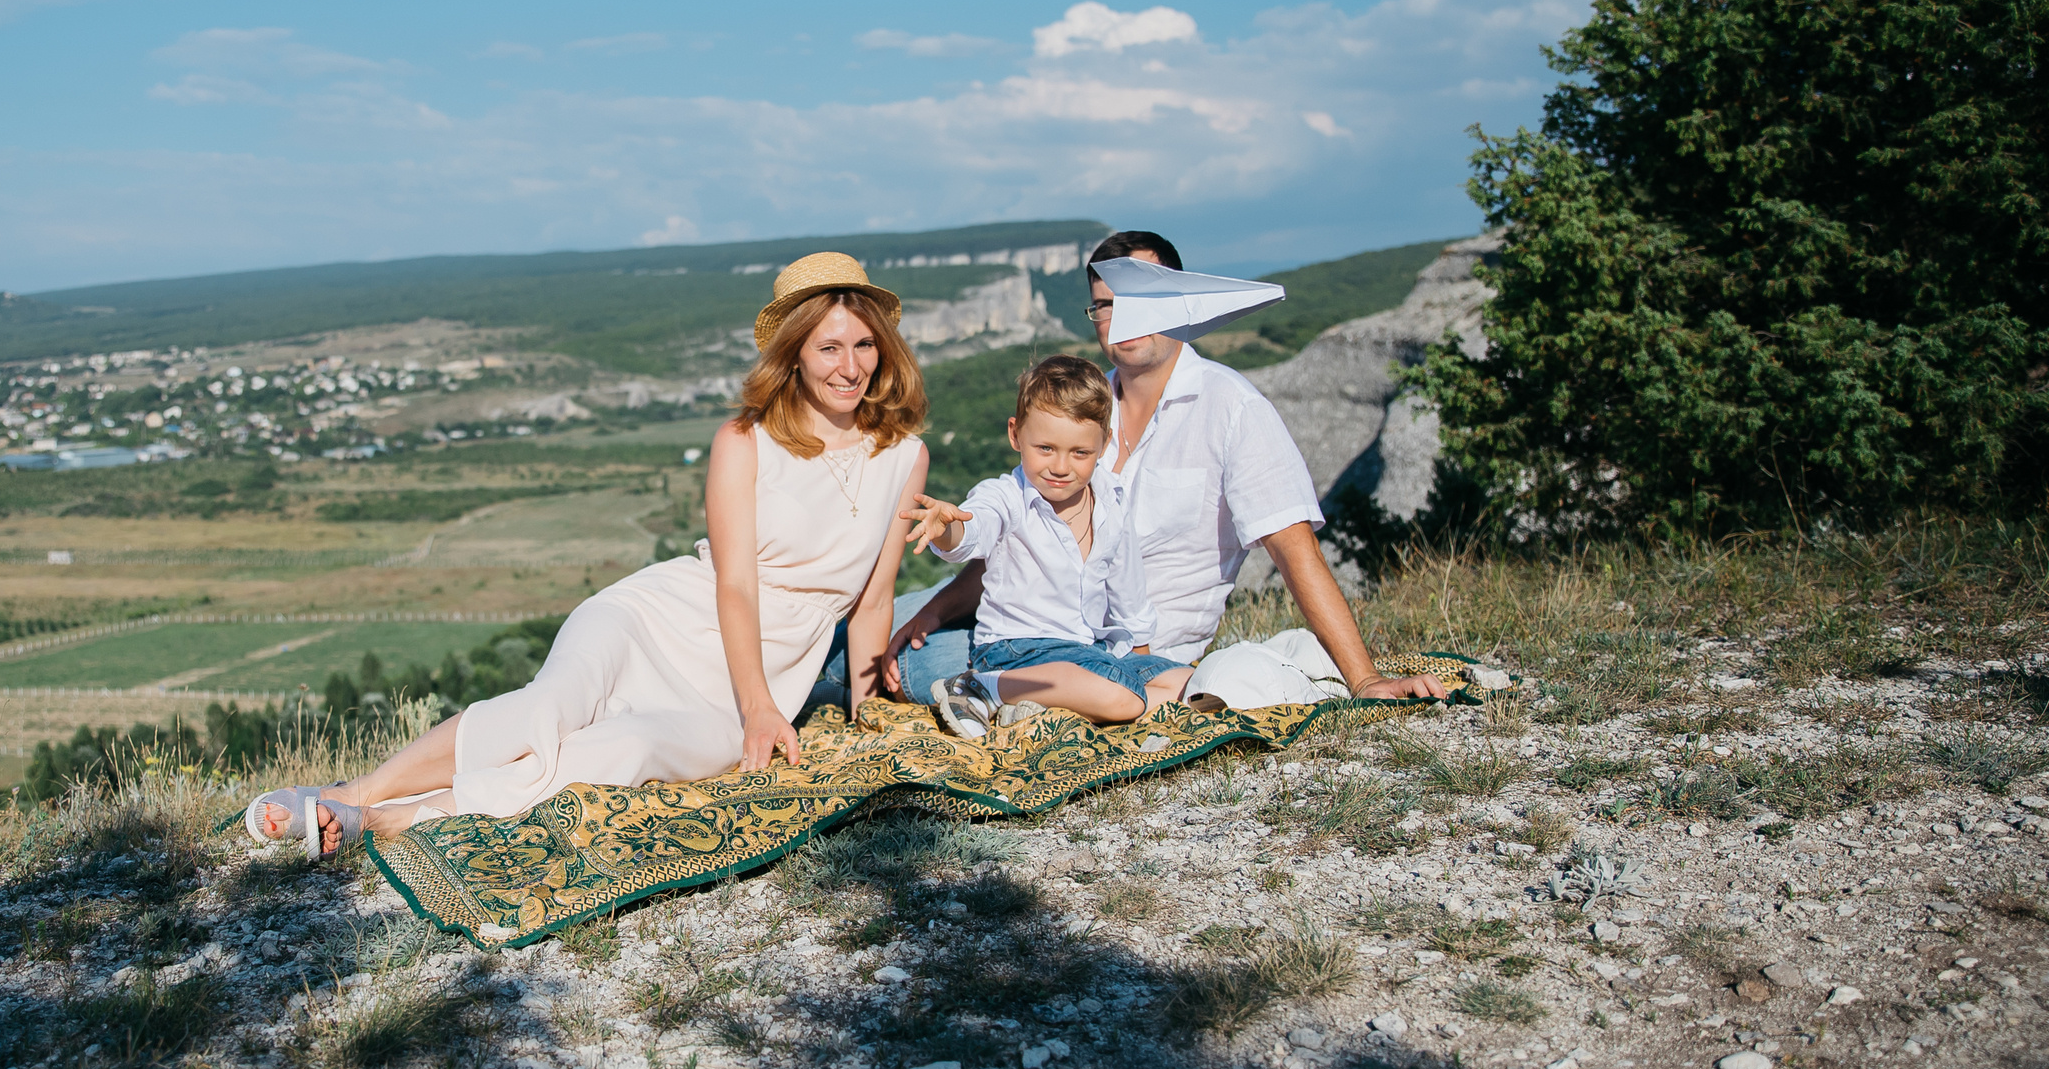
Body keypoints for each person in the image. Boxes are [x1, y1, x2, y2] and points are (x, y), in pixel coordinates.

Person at [247, 252, 931, 854]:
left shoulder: (904, 457)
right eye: (829, 348)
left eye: (865, 345)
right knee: (549, 707)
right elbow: (735, 586)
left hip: (752, 682)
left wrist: (864, 716)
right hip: (661, 619)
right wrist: (760, 708)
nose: (851, 367)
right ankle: (353, 794)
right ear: (795, 354)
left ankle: (385, 821)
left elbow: (873, 599)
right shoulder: (743, 440)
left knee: (619, 751)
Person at [885, 229, 1446, 711]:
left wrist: (1365, 679)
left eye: (1139, 299)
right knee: (877, 620)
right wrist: (936, 607)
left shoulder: (1232, 409)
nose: (1119, 317)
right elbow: (1022, 531)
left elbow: (1294, 550)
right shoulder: (1080, 409)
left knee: (883, 662)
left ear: (1182, 304)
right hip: (1022, 619)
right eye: (1104, 304)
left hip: (1134, 653)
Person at [899, 354, 1191, 732]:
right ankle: (979, 686)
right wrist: (945, 529)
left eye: (1080, 453)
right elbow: (975, 528)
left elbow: (1128, 591)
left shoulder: (1112, 502)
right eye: (1045, 448)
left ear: (1105, 446)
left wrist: (1139, 660)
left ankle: (1052, 705)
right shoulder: (1008, 496)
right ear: (1015, 434)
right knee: (1122, 695)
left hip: (1089, 651)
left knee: (1187, 683)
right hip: (1016, 650)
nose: (1060, 466)